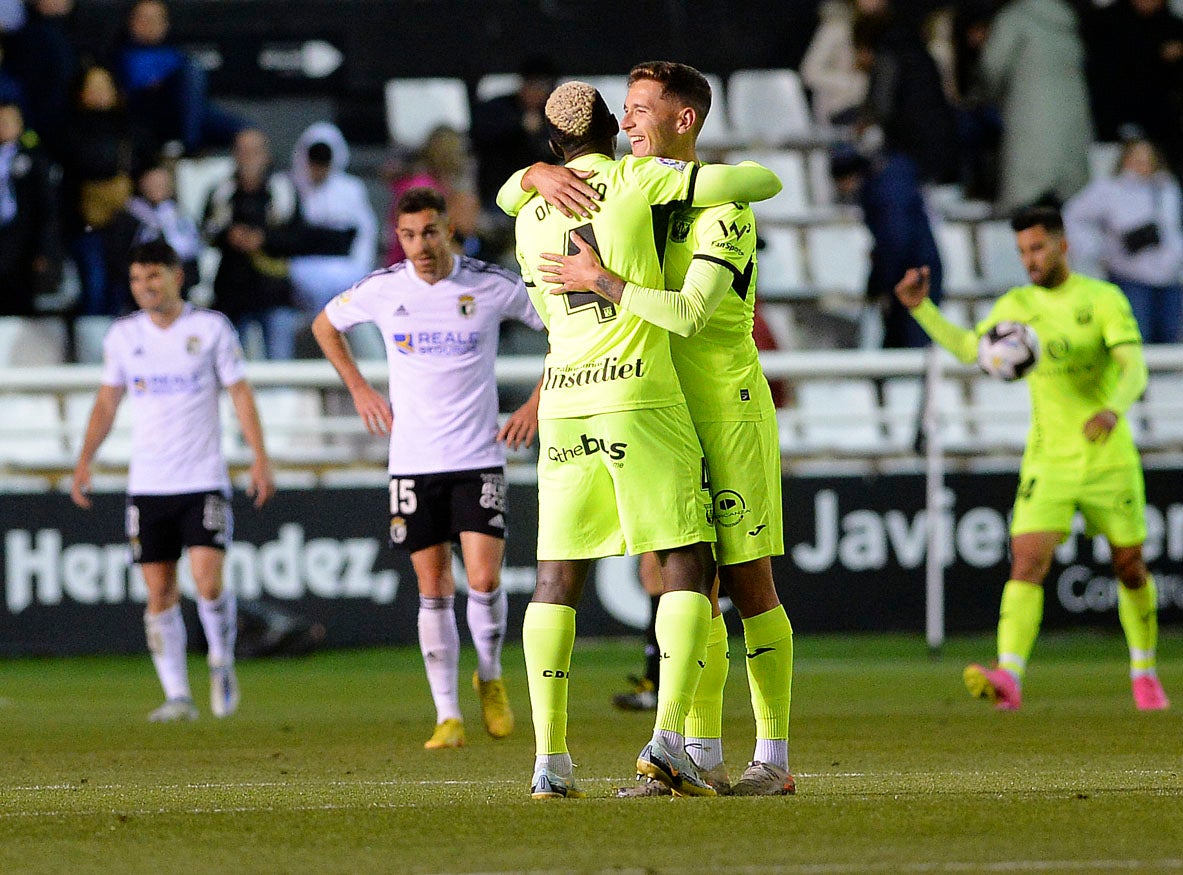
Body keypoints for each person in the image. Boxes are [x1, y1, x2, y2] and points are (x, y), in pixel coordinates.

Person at [497, 80, 782, 799]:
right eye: (621, 109)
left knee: (566, 577)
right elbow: (762, 177)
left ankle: (556, 761)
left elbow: (685, 308)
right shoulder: (636, 182)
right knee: (688, 569)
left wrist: (531, 176)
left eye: (640, 105)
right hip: (643, 397)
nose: (630, 117)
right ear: (605, 131)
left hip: (596, 402)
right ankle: (681, 744)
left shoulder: (534, 209)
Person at [893, 205, 1169, 712]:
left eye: (1038, 247)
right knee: (1026, 561)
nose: (1031, 259)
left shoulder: (1101, 298)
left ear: (1063, 245)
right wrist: (921, 309)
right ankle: (1010, 675)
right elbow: (971, 350)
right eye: (1022, 251)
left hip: (1108, 457)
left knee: (1129, 567)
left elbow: (1135, 369)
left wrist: (1112, 410)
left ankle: (1144, 671)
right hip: (1049, 460)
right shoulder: (1016, 305)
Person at [311, 187, 543, 750]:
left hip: (478, 454)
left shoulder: (489, 285)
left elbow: (567, 332)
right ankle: (447, 714)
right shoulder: (385, 289)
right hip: (413, 462)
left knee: (484, 579)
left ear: (448, 230)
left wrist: (536, 404)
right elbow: (325, 325)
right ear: (400, 236)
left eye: (430, 232)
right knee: (432, 584)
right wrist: (361, 388)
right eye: (409, 235)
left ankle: (488, 675)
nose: (419, 245)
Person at [70, 239, 275, 722]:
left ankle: (221, 660)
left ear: (176, 276)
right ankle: (178, 696)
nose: (144, 287)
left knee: (207, 582)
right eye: (137, 279)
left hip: (202, 478)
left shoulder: (209, 328)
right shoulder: (123, 336)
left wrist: (260, 459)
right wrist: (85, 461)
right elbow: (106, 402)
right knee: (159, 592)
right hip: (148, 484)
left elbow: (240, 395)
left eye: (153, 277)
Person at [1064, 138, 1183, 344]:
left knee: (1171, 337)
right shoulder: (1108, 189)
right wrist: (1099, 249)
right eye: (1137, 158)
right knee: (1136, 337)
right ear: (1125, 160)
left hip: (1170, 276)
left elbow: (1172, 230)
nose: (1143, 164)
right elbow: (1073, 217)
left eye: (1148, 159)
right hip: (1130, 276)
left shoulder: (1167, 188)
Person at [979, 0, 1092, 211]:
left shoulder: (1014, 18)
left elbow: (991, 65)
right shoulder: (1067, 18)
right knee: (1072, 206)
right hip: (1072, 117)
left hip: (1028, 114)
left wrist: (991, 96)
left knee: (1025, 201)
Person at [111, 0, 246, 155]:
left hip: (184, 111)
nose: (149, 25)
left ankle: (192, 143)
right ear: (131, 22)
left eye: (155, 20)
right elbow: (143, 87)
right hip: (145, 113)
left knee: (246, 131)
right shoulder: (121, 55)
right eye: (143, 19)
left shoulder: (173, 53)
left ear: (165, 24)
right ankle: (190, 147)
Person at [287, 122, 378, 315]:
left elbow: (366, 232)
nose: (319, 168)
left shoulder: (351, 189)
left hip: (345, 267)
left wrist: (359, 268)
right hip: (304, 267)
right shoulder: (290, 187)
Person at [0, 100, 58, 316]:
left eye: (8, 120)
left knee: (20, 303)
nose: (3, 125)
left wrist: (45, 250)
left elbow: (47, 209)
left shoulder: (36, 159)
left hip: (23, 244)